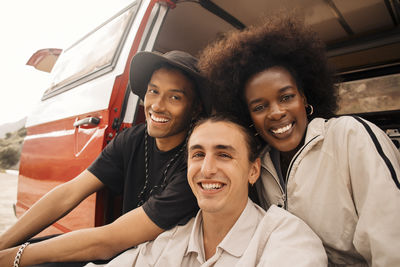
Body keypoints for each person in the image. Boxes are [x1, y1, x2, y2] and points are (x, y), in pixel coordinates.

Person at [198, 17, 400, 266]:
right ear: (248, 115)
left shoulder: (350, 136)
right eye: (260, 106)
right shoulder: (257, 164)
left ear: (304, 98)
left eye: (286, 97)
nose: (276, 112)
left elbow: (392, 244)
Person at [0, 50, 211, 266]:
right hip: (119, 251)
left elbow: (108, 241)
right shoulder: (132, 139)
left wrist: (11, 259)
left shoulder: (197, 165)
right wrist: (4, 244)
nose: (157, 105)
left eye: (174, 97)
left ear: (195, 109)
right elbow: (69, 192)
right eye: (153, 91)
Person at [84, 114, 327, 267]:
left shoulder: (289, 241)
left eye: (224, 154)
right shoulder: (170, 241)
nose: (207, 169)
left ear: (253, 171)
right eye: (198, 154)